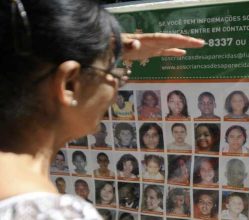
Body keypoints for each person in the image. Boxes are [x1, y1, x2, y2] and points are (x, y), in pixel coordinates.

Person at [0, 0, 204, 217]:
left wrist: (94, 50)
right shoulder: (53, 213)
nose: (116, 86)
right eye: (113, 72)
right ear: (70, 84)